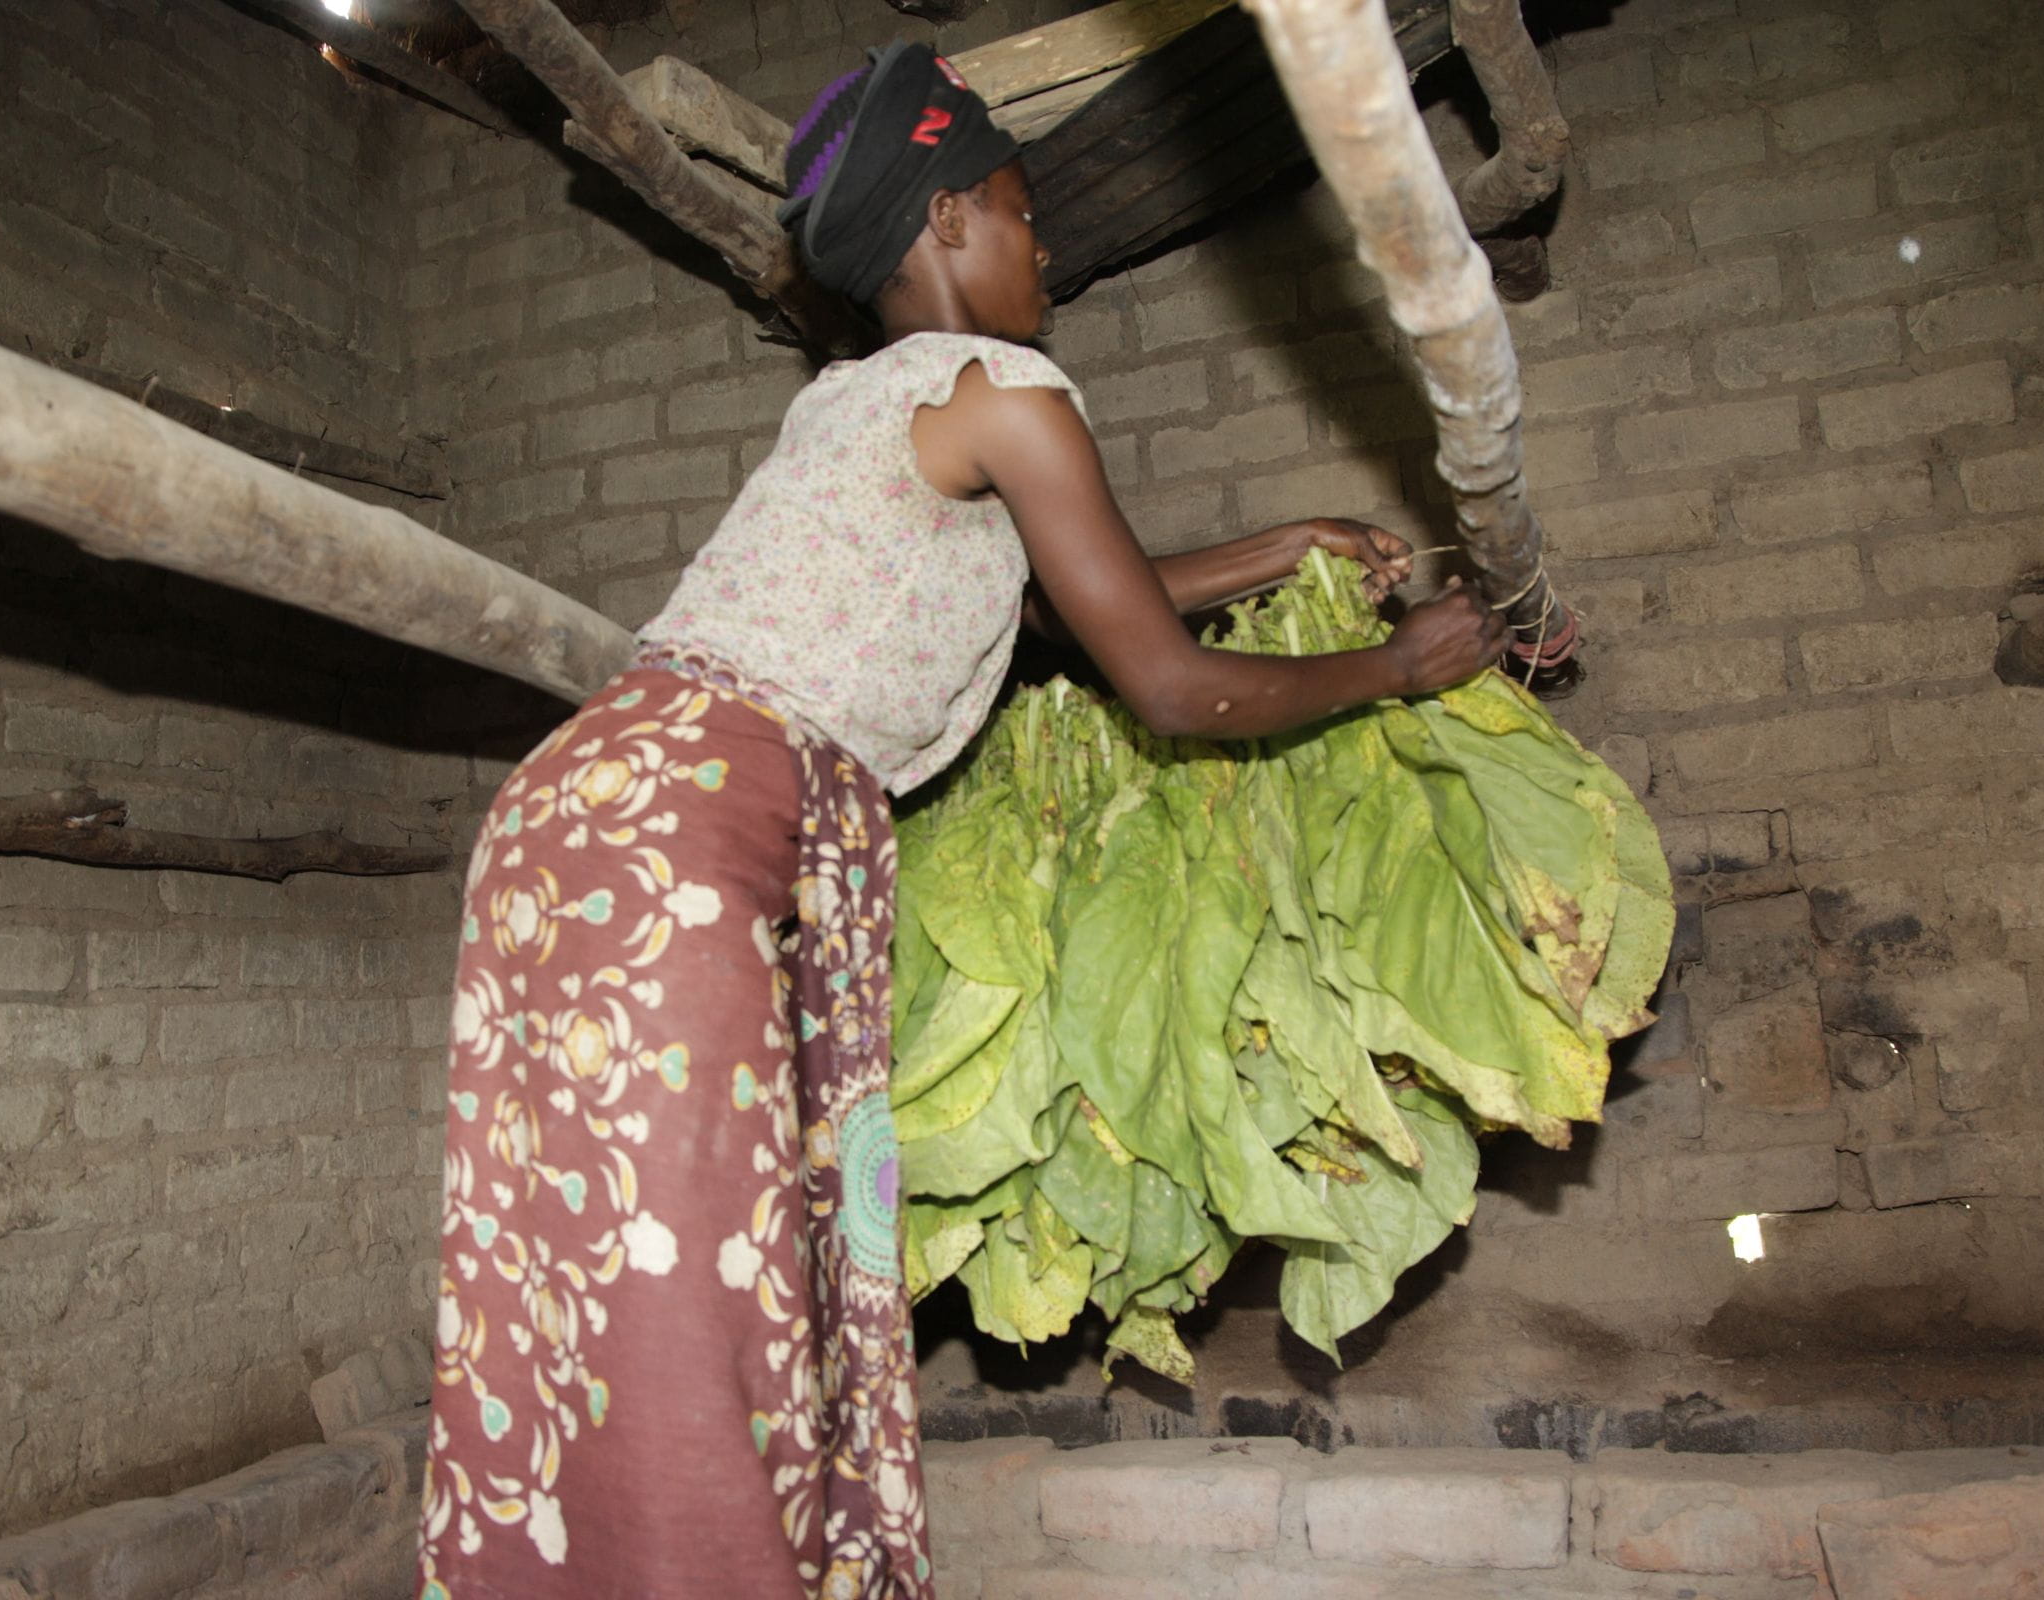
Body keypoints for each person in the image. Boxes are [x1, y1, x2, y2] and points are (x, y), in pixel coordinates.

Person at [417, 41, 1503, 1600]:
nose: (1045, 244)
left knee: (590, 1283)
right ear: (942, 222)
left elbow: (1069, 596)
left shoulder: (855, 409)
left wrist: (1278, 546)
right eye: (1017, 207)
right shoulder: (1010, 391)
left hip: (583, 822)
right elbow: (1169, 687)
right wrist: (1397, 666)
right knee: (711, 1300)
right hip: (695, 845)